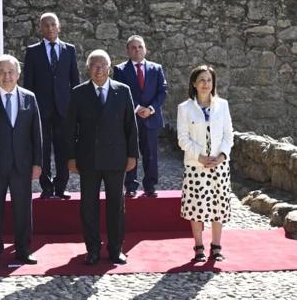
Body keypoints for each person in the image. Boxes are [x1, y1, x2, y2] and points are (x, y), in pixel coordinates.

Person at [65, 49, 139, 265]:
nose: (98, 70)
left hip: (116, 158)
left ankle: (116, 249)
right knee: (89, 205)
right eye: (94, 66)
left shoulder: (123, 91)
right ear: (88, 69)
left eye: (102, 66)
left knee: (116, 205)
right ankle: (93, 249)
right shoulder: (79, 93)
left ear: (110, 68)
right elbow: (70, 128)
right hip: (88, 159)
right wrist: (71, 157)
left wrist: (132, 155)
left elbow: (130, 127)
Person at [0, 54, 42, 267]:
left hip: (22, 165)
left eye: (11, 71)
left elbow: (36, 134)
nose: (7, 76)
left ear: (18, 74)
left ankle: (23, 249)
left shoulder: (29, 97)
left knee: (23, 209)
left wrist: (37, 163)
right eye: (2, 72)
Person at [177, 65, 233, 262]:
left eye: (209, 80)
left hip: (219, 165)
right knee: (197, 206)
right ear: (194, 83)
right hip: (196, 166)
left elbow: (228, 134)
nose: (205, 84)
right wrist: (200, 157)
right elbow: (183, 139)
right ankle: (198, 246)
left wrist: (222, 156)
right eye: (201, 80)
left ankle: (216, 246)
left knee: (218, 205)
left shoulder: (223, 105)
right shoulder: (184, 108)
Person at [23, 12, 80, 199]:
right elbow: (28, 85)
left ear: (59, 27)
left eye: (53, 25)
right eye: (45, 25)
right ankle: (46, 187)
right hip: (41, 110)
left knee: (64, 148)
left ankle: (61, 186)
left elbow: (75, 82)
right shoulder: (32, 51)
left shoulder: (69, 50)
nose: (49, 28)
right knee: (43, 149)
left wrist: (75, 109)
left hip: (64, 109)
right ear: (40, 28)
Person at [113, 35, 168, 198]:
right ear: (128, 51)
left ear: (145, 49)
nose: (137, 50)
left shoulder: (156, 68)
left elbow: (162, 91)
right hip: (130, 118)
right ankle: (130, 185)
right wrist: (137, 108)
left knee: (150, 153)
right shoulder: (120, 70)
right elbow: (119, 92)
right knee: (130, 153)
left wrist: (150, 108)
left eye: (140, 47)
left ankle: (150, 185)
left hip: (151, 117)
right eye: (133, 47)